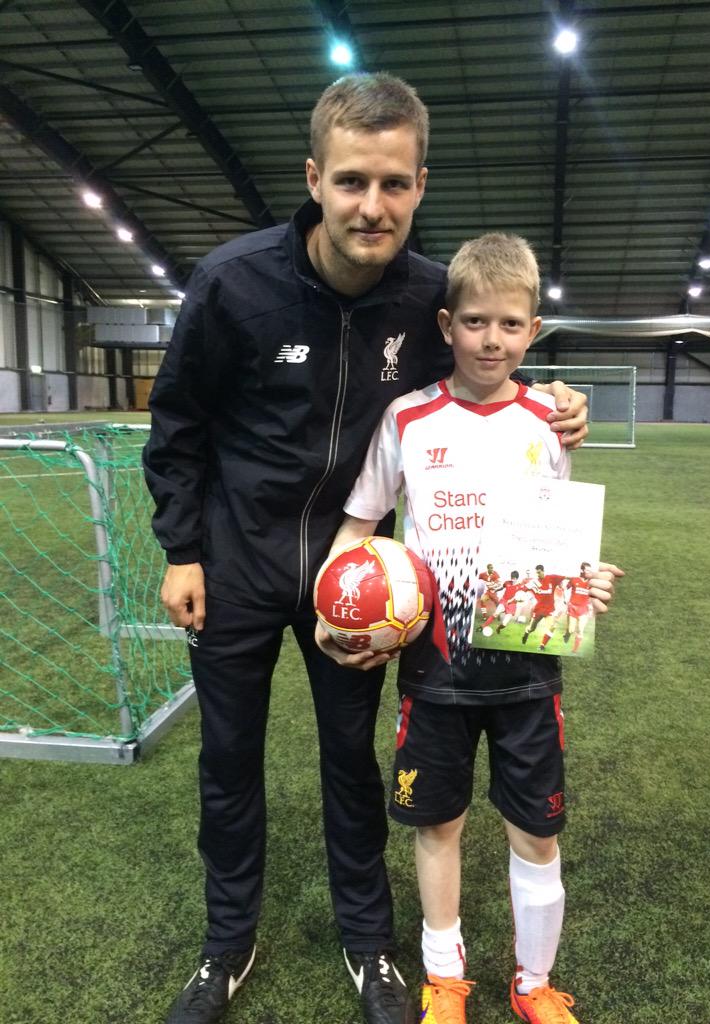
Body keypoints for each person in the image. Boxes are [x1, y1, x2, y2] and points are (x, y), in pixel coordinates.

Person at [143, 73, 590, 1024]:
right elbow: (176, 423)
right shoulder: (234, 283)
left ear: (420, 185)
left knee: (351, 758)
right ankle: (227, 945)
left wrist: (555, 402)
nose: (371, 205)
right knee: (228, 760)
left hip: (361, 580)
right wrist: (184, 551)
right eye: (351, 181)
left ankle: (368, 946)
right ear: (315, 178)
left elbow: (487, 370)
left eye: (393, 183)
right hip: (235, 562)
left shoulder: (433, 297)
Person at [316, 232, 623, 1024]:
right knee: (438, 825)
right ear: (447, 324)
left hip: (526, 668)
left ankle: (534, 982)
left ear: (533, 330)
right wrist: (335, 606)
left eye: (511, 325)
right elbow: (360, 525)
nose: (493, 340)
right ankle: (444, 978)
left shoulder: (549, 421)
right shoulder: (408, 418)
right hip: (433, 669)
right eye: (477, 322)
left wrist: (585, 578)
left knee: (536, 832)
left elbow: (556, 537)